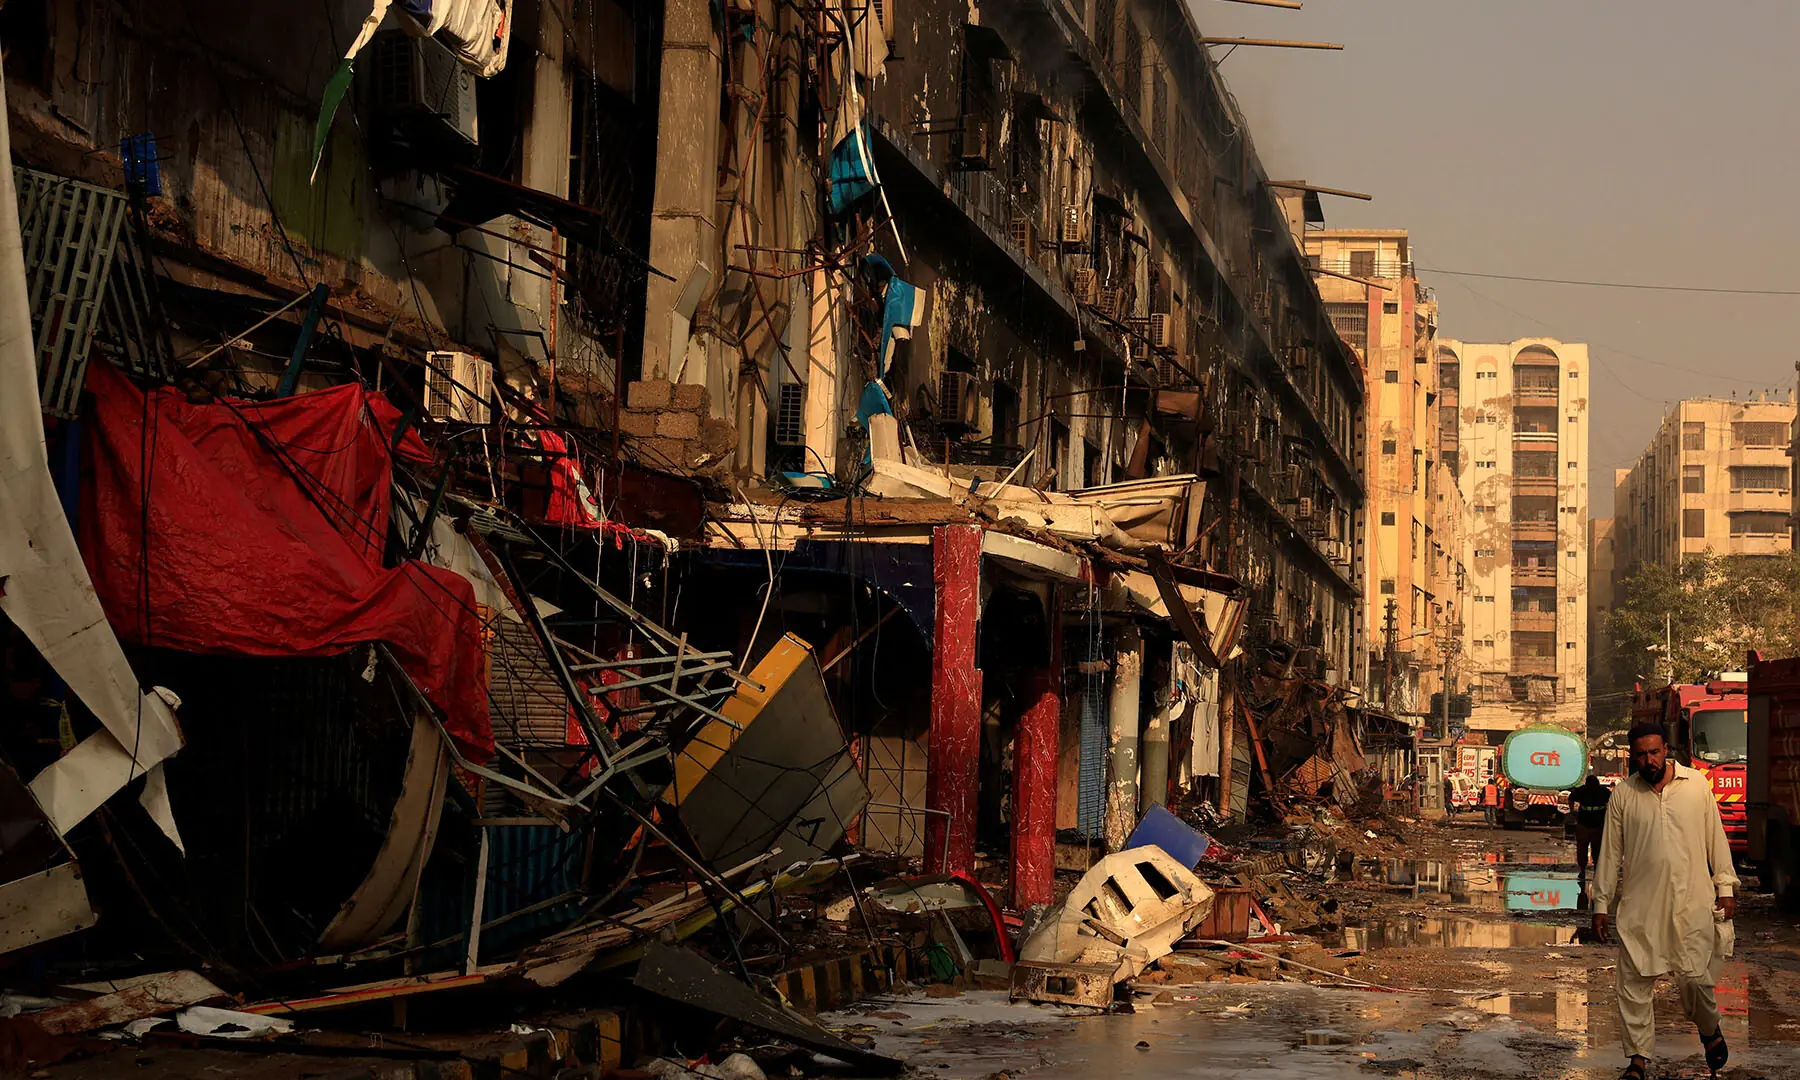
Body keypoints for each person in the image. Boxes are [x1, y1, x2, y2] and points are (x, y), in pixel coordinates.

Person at [1592, 722, 1736, 1080]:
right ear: (1632, 756)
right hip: (1641, 908)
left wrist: (1726, 887)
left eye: (1654, 752)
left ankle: (1708, 1029)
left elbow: (1715, 840)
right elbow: (1609, 853)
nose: (1649, 760)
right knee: (1634, 985)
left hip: (1692, 904)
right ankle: (1638, 1060)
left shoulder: (1696, 786)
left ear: (1666, 749)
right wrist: (1600, 904)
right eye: (1641, 754)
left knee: (1695, 980)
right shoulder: (1624, 795)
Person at [1570, 774, 1610, 878]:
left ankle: (1583, 870)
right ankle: (1595, 869)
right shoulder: (1603, 791)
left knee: (1583, 849)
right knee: (1596, 849)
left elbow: (1571, 797)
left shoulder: (1582, 790)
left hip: (1585, 824)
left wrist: (1572, 811)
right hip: (1597, 825)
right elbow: (1613, 802)